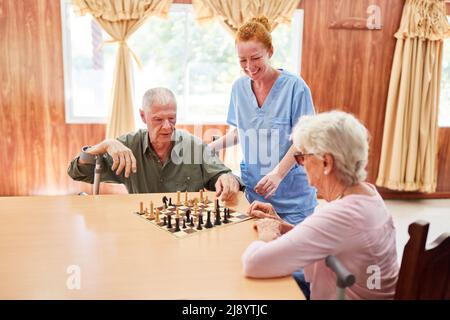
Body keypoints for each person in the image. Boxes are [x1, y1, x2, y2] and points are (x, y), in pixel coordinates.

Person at [242, 111, 399, 300]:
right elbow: (331, 240)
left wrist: (268, 234)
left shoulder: (342, 215)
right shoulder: (369, 196)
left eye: (303, 158)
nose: (301, 165)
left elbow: (253, 264)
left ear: (326, 162)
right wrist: (281, 225)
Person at [209, 16, 317, 225]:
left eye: (255, 58)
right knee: (258, 251)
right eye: (242, 60)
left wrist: (277, 174)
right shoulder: (239, 88)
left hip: (293, 197)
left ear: (270, 52)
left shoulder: (295, 87)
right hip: (255, 194)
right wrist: (211, 147)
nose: (249, 66)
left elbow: (304, 141)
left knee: (292, 253)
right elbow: (244, 131)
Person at [68, 87, 242, 201]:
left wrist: (226, 178)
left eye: (172, 118)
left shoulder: (194, 146)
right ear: (143, 116)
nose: (167, 126)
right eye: (158, 119)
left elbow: (220, 176)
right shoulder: (128, 145)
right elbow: (77, 172)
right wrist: (103, 145)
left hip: (186, 227)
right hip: (143, 227)